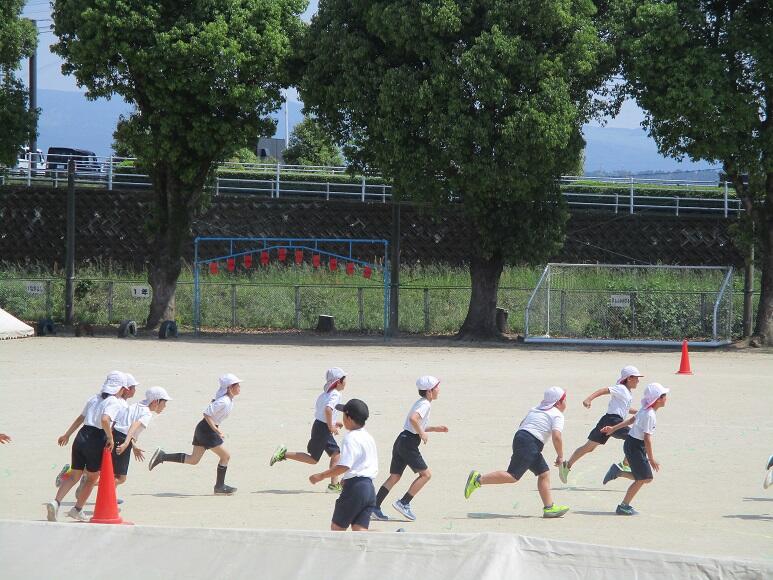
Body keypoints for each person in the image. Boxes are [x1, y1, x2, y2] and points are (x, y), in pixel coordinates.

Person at [464, 386, 570, 519]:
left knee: (544, 473)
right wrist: (560, 456)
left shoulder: (535, 409)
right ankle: (477, 480)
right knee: (513, 476)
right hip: (530, 443)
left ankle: (549, 508)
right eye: (565, 399)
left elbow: (522, 424)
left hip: (522, 437)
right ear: (558, 402)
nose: (566, 402)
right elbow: (557, 437)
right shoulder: (557, 415)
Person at [45, 371, 127, 521]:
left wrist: (67, 435)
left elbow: (80, 418)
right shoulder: (114, 402)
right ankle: (77, 509)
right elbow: (105, 420)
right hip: (97, 439)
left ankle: (56, 502)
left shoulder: (94, 398)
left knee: (74, 476)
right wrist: (110, 437)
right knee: (92, 478)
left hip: (81, 435)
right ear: (120, 388)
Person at [148, 373, 241, 495]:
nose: (239, 387)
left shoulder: (228, 400)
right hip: (207, 430)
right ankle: (219, 487)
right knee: (225, 456)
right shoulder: (224, 401)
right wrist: (216, 430)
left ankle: (162, 456)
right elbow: (207, 414)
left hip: (204, 429)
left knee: (193, 460)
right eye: (237, 385)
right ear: (229, 388)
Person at [371, 375, 448, 522]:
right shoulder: (425, 404)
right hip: (409, 443)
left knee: (394, 477)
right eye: (436, 387)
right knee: (426, 475)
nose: (439, 389)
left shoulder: (420, 402)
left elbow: (415, 424)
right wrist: (422, 434)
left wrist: (433, 429)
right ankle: (404, 502)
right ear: (429, 391)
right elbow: (413, 419)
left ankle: (374, 507)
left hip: (402, 439)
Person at [559, 365, 643, 484]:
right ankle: (625, 464)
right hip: (613, 421)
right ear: (629, 378)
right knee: (635, 438)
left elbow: (625, 409)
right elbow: (603, 390)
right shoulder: (621, 388)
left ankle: (566, 466)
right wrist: (589, 399)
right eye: (636, 378)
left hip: (608, 420)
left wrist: (640, 412)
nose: (638, 381)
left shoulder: (627, 392)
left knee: (589, 447)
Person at [269, 367, 347, 493]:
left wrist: (333, 422)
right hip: (323, 429)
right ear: (338, 382)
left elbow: (322, 413)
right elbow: (328, 410)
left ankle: (334, 485)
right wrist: (331, 426)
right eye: (344, 379)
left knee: (332, 455)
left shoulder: (324, 395)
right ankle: (283, 454)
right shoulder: (336, 394)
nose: (346, 382)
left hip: (319, 426)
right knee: (319, 458)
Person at [600, 382, 669, 515]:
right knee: (643, 478)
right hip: (635, 447)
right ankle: (623, 506)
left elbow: (631, 420)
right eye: (664, 395)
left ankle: (618, 472)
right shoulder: (650, 415)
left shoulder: (645, 409)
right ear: (658, 399)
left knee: (646, 478)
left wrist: (613, 428)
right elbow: (647, 438)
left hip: (633, 445)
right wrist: (651, 459)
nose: (666, 398)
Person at [309, 399, 378, 531]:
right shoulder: (369, 437)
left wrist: (321, 476)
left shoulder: (350, 438)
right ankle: (395, 537)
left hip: (355, 489)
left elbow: (344, 466)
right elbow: (362, 464)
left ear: (348, 418)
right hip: (369, 490)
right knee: (360, 533)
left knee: (337, 530)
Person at [113, 386, 172, 489]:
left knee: (114, 473)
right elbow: (133, 425)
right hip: (122, 440)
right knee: (121, 478)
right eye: (164, 402)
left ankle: (109, 496)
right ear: (156, 401)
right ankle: (91, 481)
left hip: (115, 435)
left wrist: (133, 446)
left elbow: (124, 425)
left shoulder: (136, 405)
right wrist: (126, 443)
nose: (165, 406)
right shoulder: (147, 413)